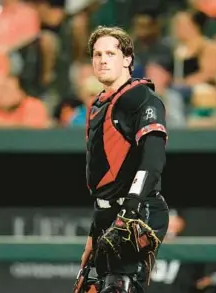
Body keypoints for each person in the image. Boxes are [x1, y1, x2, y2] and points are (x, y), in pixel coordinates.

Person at [77, 26, 169, 293]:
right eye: (97, 54)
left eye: (110, 53)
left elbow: (153, 159)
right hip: (108, 214)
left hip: (138, 211)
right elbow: (103, 180)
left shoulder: (141, 99)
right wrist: (95, 233)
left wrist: (130, 208)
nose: (102, 60)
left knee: (121, 287)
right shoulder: (98, 105)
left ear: (127, 59)